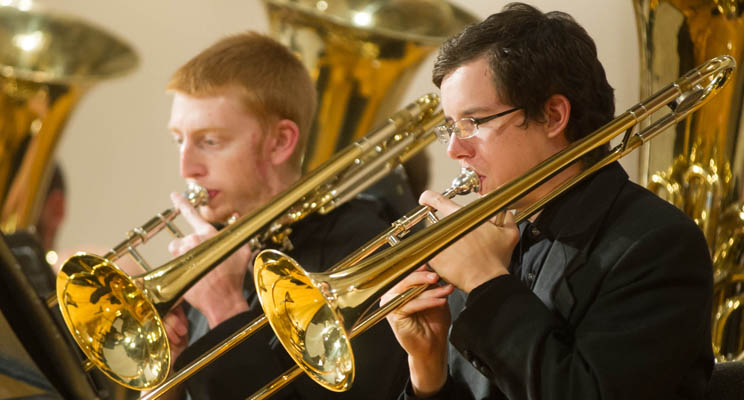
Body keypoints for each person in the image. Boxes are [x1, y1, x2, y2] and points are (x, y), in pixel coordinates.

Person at [381, 3, 714, 399]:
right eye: (450, 128)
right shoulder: (488, 239)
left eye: (472, 123)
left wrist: (485, 282)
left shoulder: (657, 246)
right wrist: (428, 371)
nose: (454, 149)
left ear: (554, 115)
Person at [160, 32, 408, 399]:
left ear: (279, 142)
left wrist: (225, 309)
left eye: (209, 141)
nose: (187, 166)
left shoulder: (360, 247)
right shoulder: (215, 242)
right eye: (179, 139)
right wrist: (169, 369)